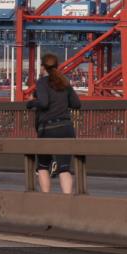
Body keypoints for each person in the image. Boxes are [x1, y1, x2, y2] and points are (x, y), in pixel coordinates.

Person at [27, 54, 81, 194]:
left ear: (43, 67)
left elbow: (44, 103)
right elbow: (76, 104)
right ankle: (67, 201)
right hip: (66, 127)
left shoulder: (42, 82)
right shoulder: (64, 82)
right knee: (64, 168)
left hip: (48, 128)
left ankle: (46, 200)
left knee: (43, 166)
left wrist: (31, 102)